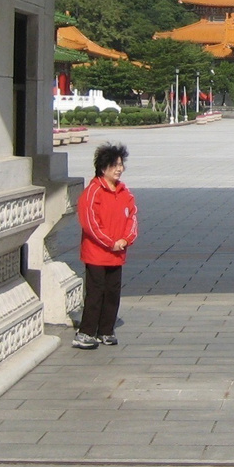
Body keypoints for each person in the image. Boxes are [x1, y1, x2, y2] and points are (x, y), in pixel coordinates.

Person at [75, 142, 137, 350]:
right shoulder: (93, 192)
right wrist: (110, 242)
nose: (119, 169)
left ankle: (106, 330)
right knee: (95, 292)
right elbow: (91, 224)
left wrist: (126, 240)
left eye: (121, 164)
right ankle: (86, 332)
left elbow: (132, 218)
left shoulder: (124, 192)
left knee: (112, 292)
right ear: (103, 168)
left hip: (117, 253)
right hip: (96, 253)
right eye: (115, 165)